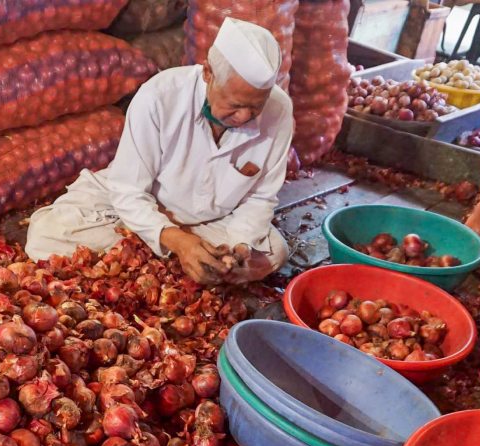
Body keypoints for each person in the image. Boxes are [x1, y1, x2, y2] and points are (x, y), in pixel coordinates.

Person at [25, 17, 293, 285]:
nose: (245, 116)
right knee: (46, 233)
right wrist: (177, 239)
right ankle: (175, 252)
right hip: (141, 205)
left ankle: (167, 256)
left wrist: (241, 246)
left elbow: (260, 198)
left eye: (256, 106)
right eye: (235, 105)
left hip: (213, 221)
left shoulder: (279, 111)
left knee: (274, 252)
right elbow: (129, 191)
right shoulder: (159, 96)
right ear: (208, 73)